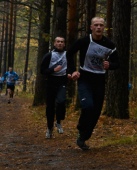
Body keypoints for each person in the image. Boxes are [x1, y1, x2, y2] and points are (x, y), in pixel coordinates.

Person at [66, 16, 119, 150]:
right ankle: (80, 128)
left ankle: (83, 138)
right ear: (91, 27)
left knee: (95, 113)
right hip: (84, 78)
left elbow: (117, 63)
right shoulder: (83, 41)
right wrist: (72, 71)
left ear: (104, 28)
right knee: (88, 106)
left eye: (101, 25)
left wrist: (109, 66)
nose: (99, 27)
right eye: (96, 25)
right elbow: (69, 54)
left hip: (99, 80)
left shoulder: (109, 44)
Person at [40, 36, 67, 139]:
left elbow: (70, 67)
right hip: (51, 83)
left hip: (62, 82)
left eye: (62, 42)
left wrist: (70, 74)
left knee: (61, 101)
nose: (60, 43)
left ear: (64, 44)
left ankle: (58, 121)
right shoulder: (49, 55)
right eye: (58, 42)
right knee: (50, 107)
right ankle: (49, 128)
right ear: (55, 44)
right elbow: (42, 70)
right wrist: (53, 70)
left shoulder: (67, 55)